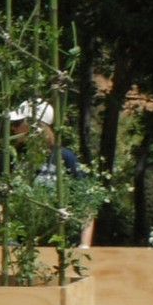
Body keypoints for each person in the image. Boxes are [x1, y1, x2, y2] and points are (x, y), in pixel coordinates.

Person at [8, 99, 96, 247]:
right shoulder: (14, 158)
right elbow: (0, 201)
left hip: (59, 245)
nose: (13, 129)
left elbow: (87, 203)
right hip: (20, 249)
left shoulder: (65, 158)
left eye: (17, 124)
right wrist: (8, 238)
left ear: (36, 127)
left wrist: (84, 246)